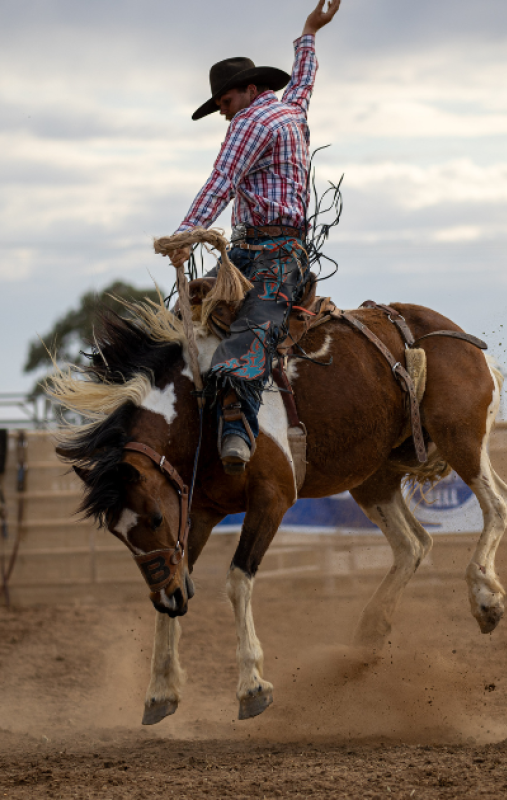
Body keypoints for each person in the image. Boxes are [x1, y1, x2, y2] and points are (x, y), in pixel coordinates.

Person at [164, 0, 341, 474]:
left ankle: (237, 424)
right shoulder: (287, 112)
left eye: (224, 103)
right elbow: (303, 85)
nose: (223, 114)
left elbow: (223, 178)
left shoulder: (251, 122)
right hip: (269, 250)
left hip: (267, 254)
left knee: (247, 331)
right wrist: (309, 32)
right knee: (203, 313)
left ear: (248, 90)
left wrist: (187, 235)